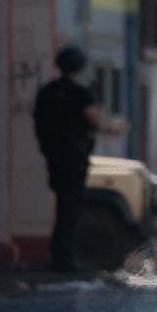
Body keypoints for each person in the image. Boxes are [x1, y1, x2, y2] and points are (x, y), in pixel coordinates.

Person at [32, 45, 126, 271]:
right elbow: (96, 122)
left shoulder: (47, 92)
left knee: (63, 205)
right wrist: (114, 127)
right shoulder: (79, 93)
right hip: (74, 158)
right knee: (70, 208)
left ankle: (59, 255)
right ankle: (64, 258)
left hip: (54, 158)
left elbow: (39, 123)